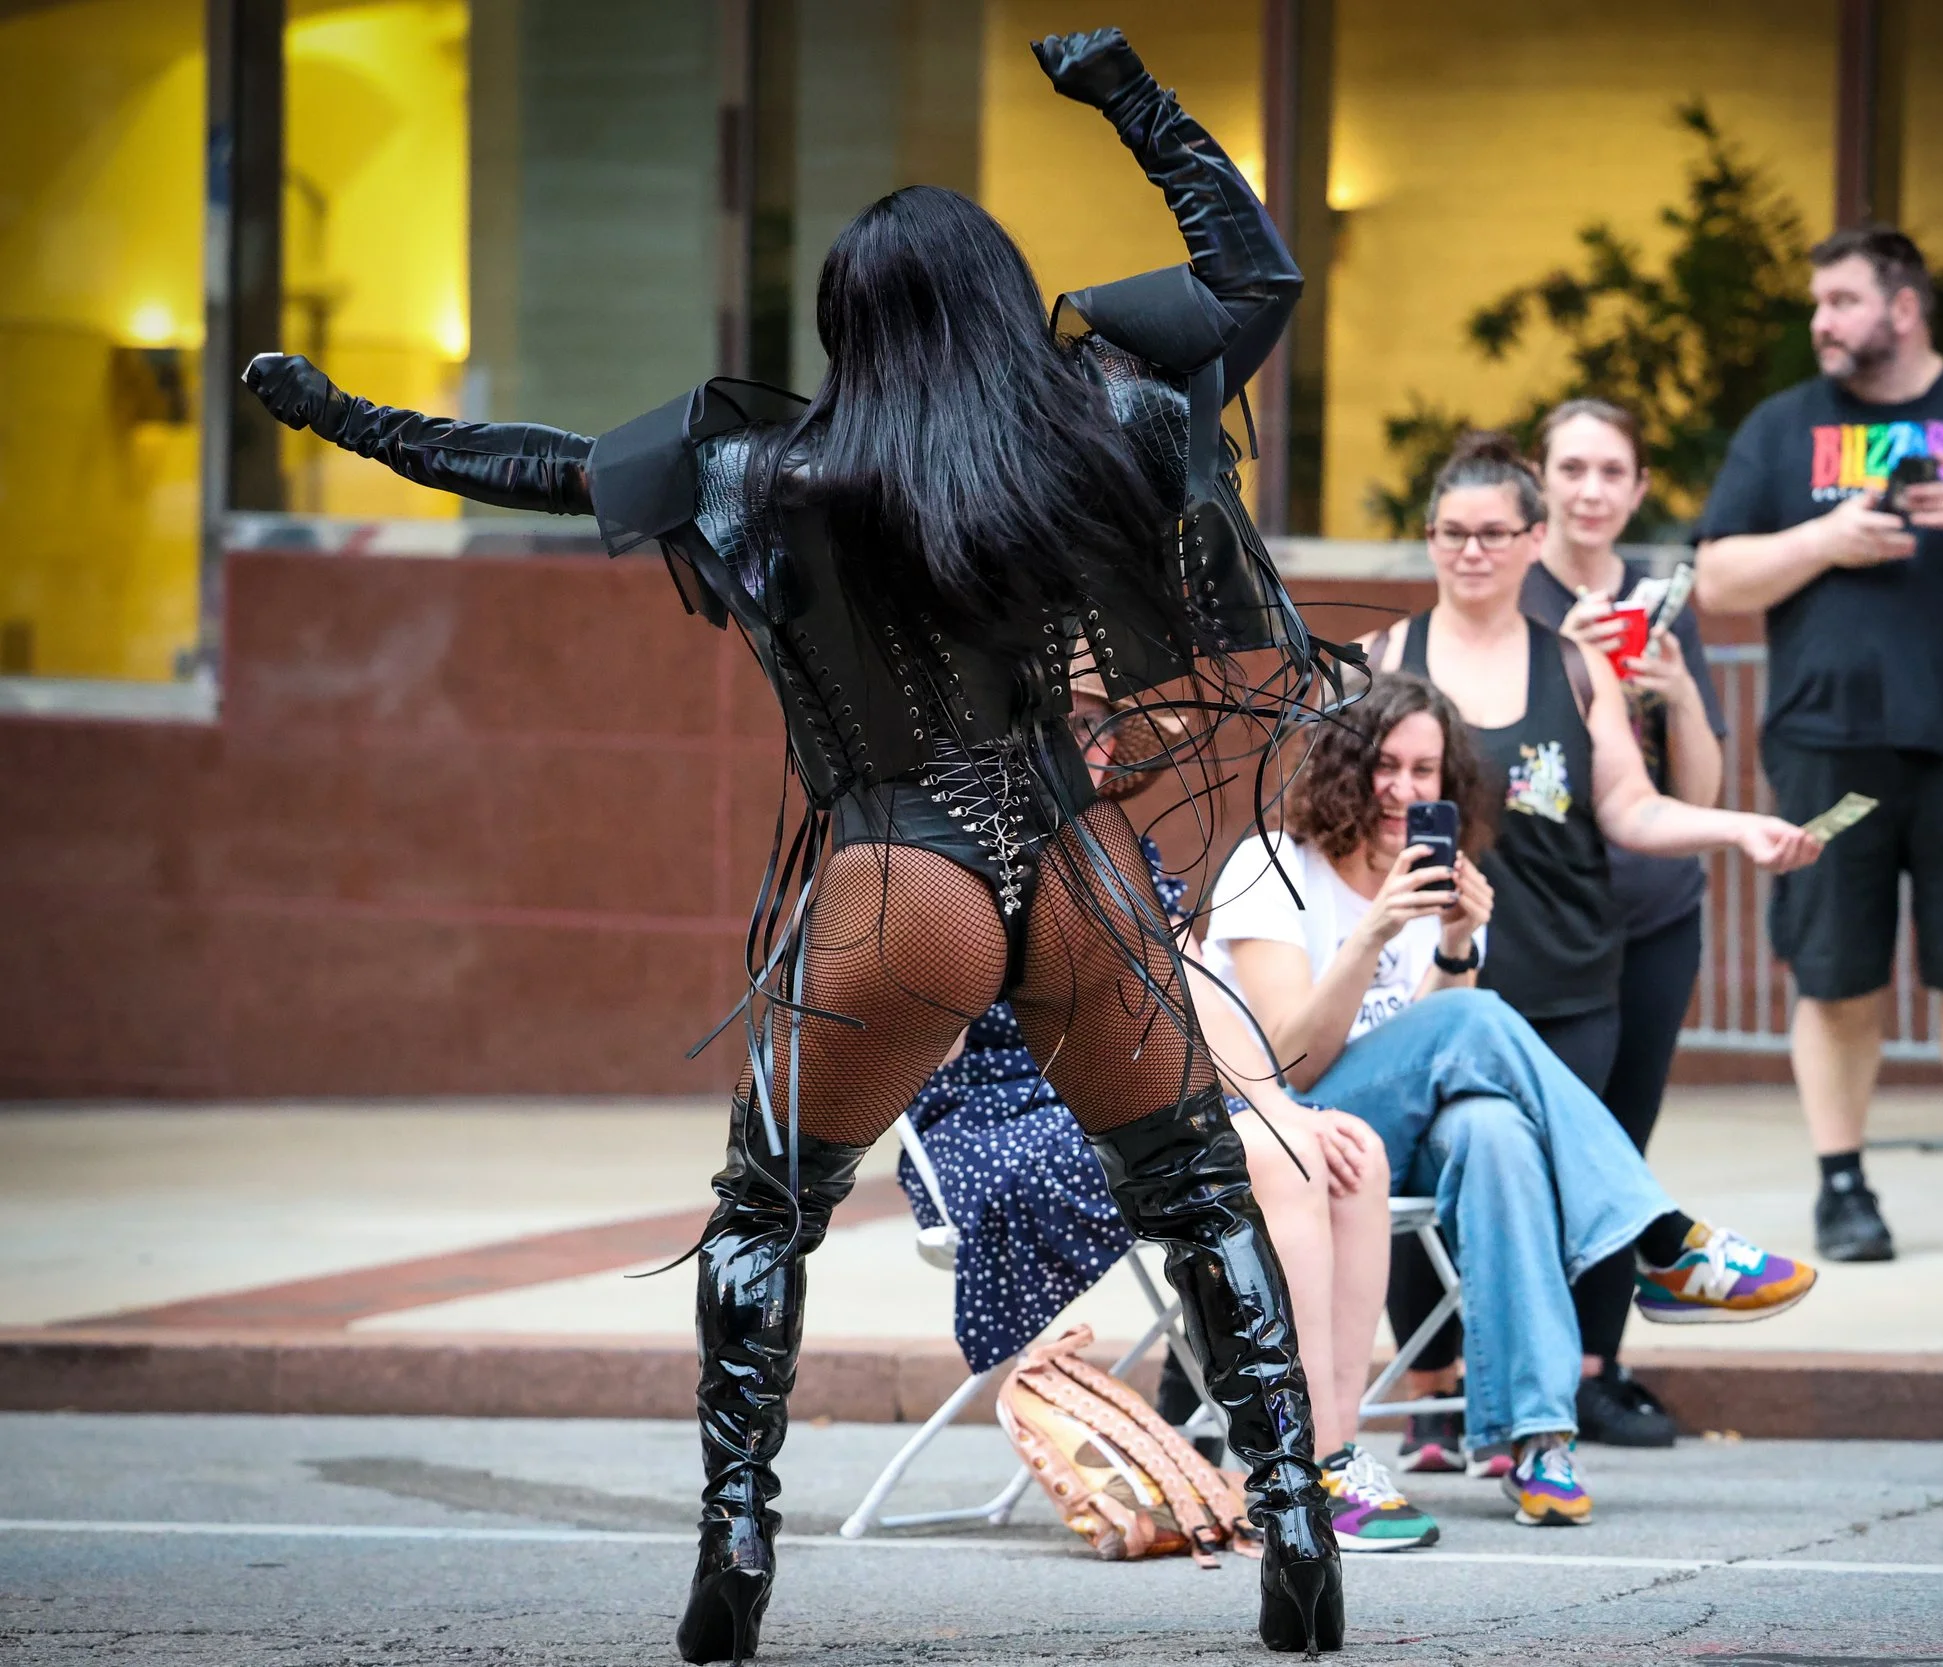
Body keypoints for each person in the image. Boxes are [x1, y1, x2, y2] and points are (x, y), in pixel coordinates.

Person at [244, 30, 1353, 1660]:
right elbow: (1248, 280)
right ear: (996, 301)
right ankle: (1302, 1536)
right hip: (1073, 868)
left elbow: (536, 467)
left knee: (767, 1210)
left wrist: (335, 412)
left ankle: (737, 1547)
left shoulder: (765, 471)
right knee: (1195, 1194)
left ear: (850, 325)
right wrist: (1122, 89)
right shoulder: (1084, 437)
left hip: (899, 878)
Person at [1203, 670, 1818, 1529]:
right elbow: (1295, 1060)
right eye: (1384, 764)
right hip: (1287, 1128)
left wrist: (1455, 945)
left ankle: (1538, 1441)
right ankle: (1660, 1239)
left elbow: (1431, 1065)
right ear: (1341, 764)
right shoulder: (1272, 867)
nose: (1404, 789)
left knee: (1493, 1129)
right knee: (1476, 1019)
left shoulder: (1444, 885)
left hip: (1383, 1134)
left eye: (1426, 772)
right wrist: (1377, 930)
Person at [1363, 433, 1819, 1461]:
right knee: (1426, 1186)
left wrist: (1737, 827)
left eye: (1492, 533)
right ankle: (1441, 1405)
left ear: (1533, 539)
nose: (1470, 551)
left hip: (1569, 967)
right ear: (1429, 539)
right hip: (1435, 975)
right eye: (1451, 533)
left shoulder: (1571, 664)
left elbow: (1631, 805)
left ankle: (1537, 1419)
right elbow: (1336, 816)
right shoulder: (1387, 659)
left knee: (1541, 1191)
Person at [904, 681, 1436, 1552]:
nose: (1103, 744)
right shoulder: (953, 851)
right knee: (1275, 1160)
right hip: (1004, 1117)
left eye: (1108, 725)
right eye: (1078, 726)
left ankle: (1334, 1457)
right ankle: (1292, 1467)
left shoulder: (1118, 850)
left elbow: (1198, 988)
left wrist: (1279, 1101)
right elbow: (913, 1030)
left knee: (1346, 1149)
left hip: (1123, 1095)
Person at [1692, 224, 1943, 1265]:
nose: (1820, 322)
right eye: (1819, 303)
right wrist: (1823, 539)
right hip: (1829, 750)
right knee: (1833, 975)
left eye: (1839, 301)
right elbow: (1714, 580)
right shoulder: (1785, 429)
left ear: (1903, 307)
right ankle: (1843, 1186)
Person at [1521, 398, 1732, 1446]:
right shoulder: (1513, 593)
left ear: (1639, 488)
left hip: (1653, 911)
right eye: (1572, 468)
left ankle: (1598, 1366)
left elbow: (1699, 786)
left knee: (1621, 1136)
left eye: (1612, 471)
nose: (1591, 490)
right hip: (1542, 915)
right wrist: (1560, 660)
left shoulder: (1664, 603)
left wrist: (1679, 691)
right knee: (1531, 1143)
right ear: (1540, 477)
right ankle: (1505, 1364)